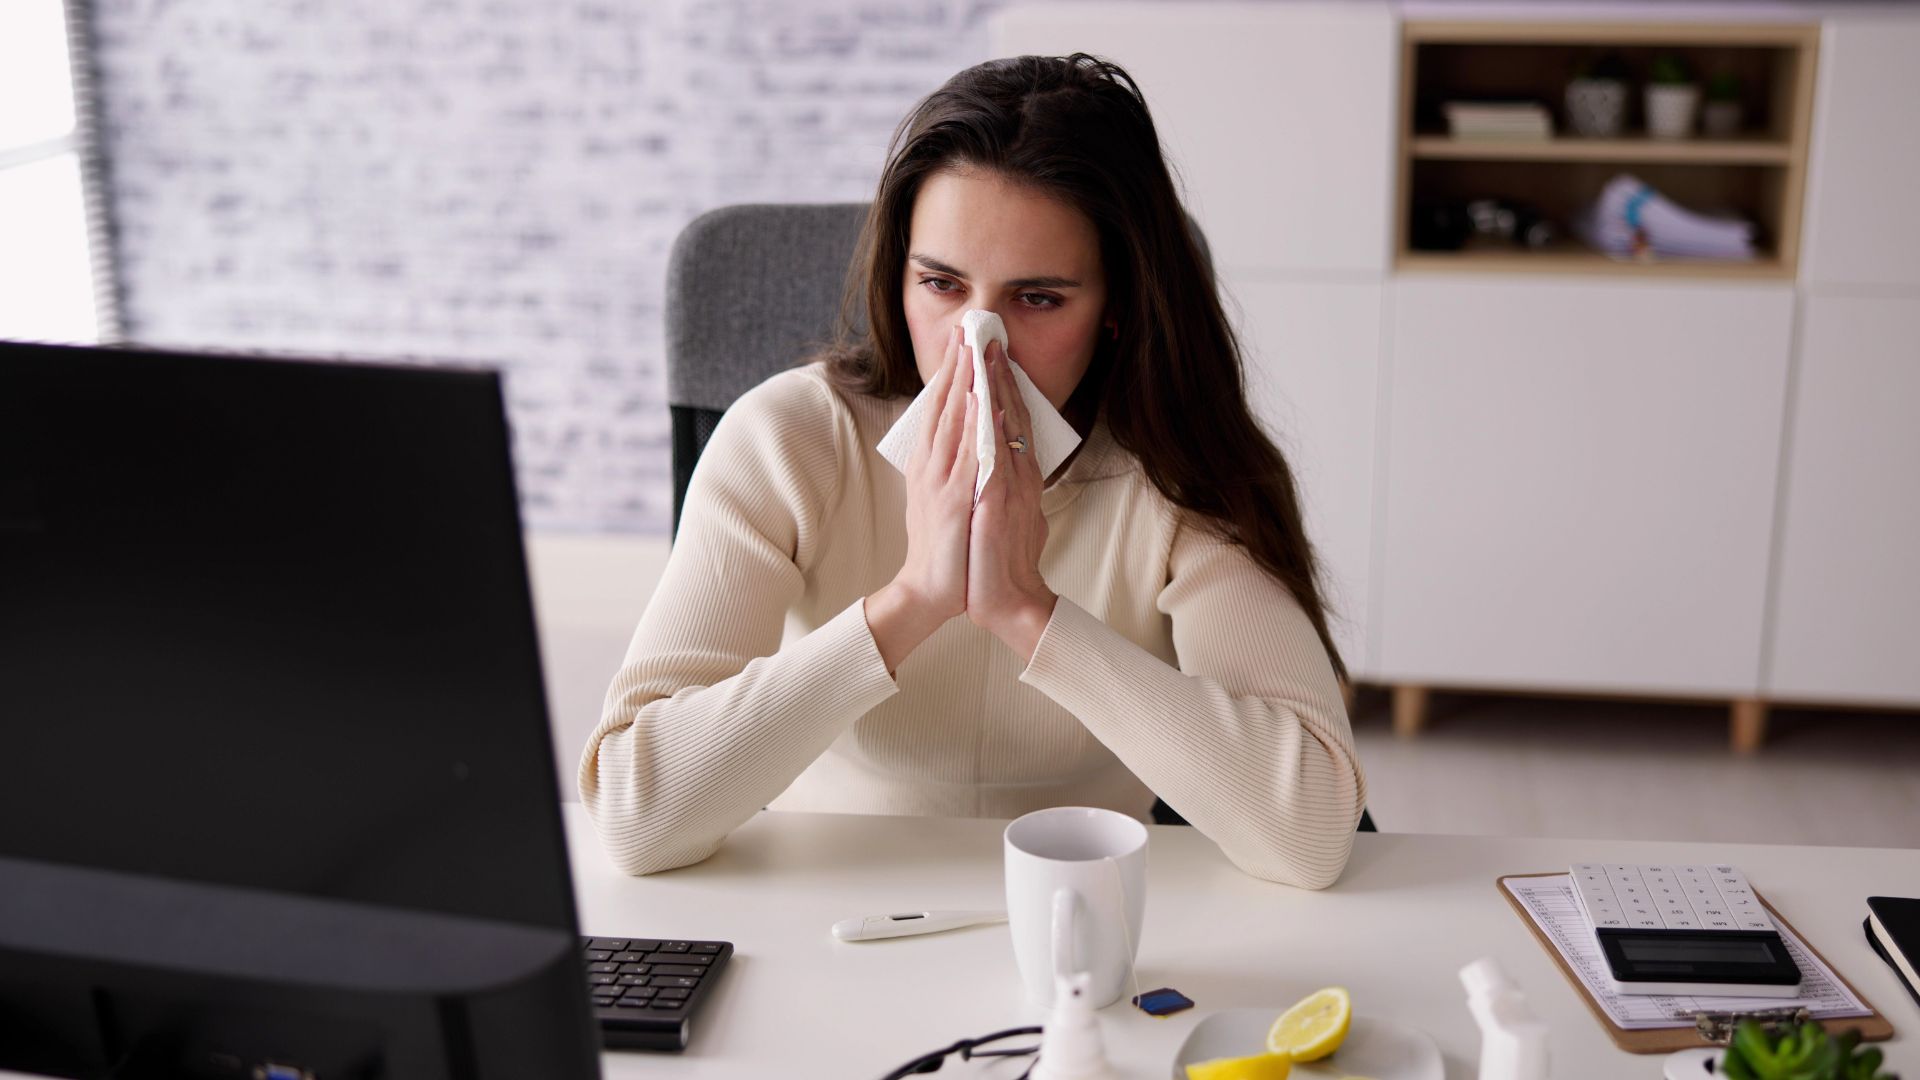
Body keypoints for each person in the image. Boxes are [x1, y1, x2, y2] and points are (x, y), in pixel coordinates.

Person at [579, 53, 1367, 887]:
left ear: (1117, 310)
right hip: (823, 903)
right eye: (942, 284)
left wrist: (1026, 610)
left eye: (1038, 299)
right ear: (899, 278)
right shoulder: (790, 439)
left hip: (1089, 908)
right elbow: (636, 815)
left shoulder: (1180, 467)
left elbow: (1313, 834)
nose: (975, 343)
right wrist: (915, 598)